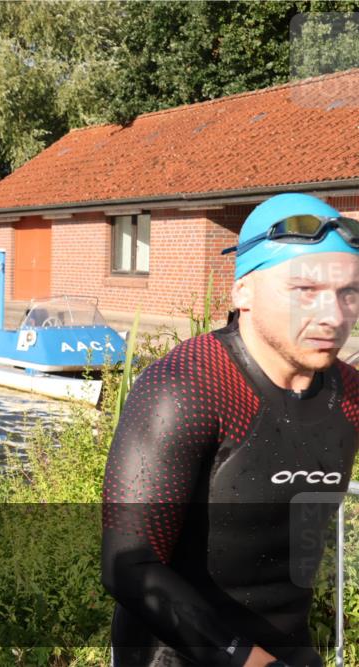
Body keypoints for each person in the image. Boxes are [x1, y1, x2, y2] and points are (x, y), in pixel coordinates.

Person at [101, 193, 359, 667]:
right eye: (305, 290)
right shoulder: (187, 388)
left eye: (348, 293)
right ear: (242, 292)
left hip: (290, 647)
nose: (333, 316)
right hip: (178, 653)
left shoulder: (349, 394)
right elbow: (130, 566)